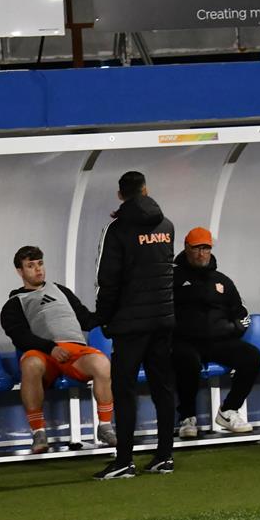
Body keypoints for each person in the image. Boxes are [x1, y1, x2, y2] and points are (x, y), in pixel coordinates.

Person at [92, 171, 177, 479]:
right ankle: (164, 456)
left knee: (124, 390)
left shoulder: (116, 230)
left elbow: (107, 280)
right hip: (163, 320)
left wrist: (102, 317)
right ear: (145, 190)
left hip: (130, 325)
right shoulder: (167, 226)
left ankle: (124, 460)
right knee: (162, 388)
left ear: (120, 195)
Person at [0, 245, 117, 454]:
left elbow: (86, 319)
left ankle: (105, 426)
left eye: (40, 264)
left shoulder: (61, 290)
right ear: (20, 271)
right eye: (30, 266)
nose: (38, 269)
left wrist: (111, 313)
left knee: (101, 363)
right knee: (30, 364)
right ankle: (39, 432)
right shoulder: (15, 303)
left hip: (75, 351)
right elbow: (20, 337)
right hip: (44, 353)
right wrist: (50, 347)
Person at [173, 227, 260, 436]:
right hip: (184, 341)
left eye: (206, 248)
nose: (201, 253)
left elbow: (242, 314)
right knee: (187, 360)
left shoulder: (222, 281)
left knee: (252, 356)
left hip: (218, 342)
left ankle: (228, 410)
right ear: (186, 248)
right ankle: (187, 417)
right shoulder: (172, 278)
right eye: (197, 248)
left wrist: (234, 329)